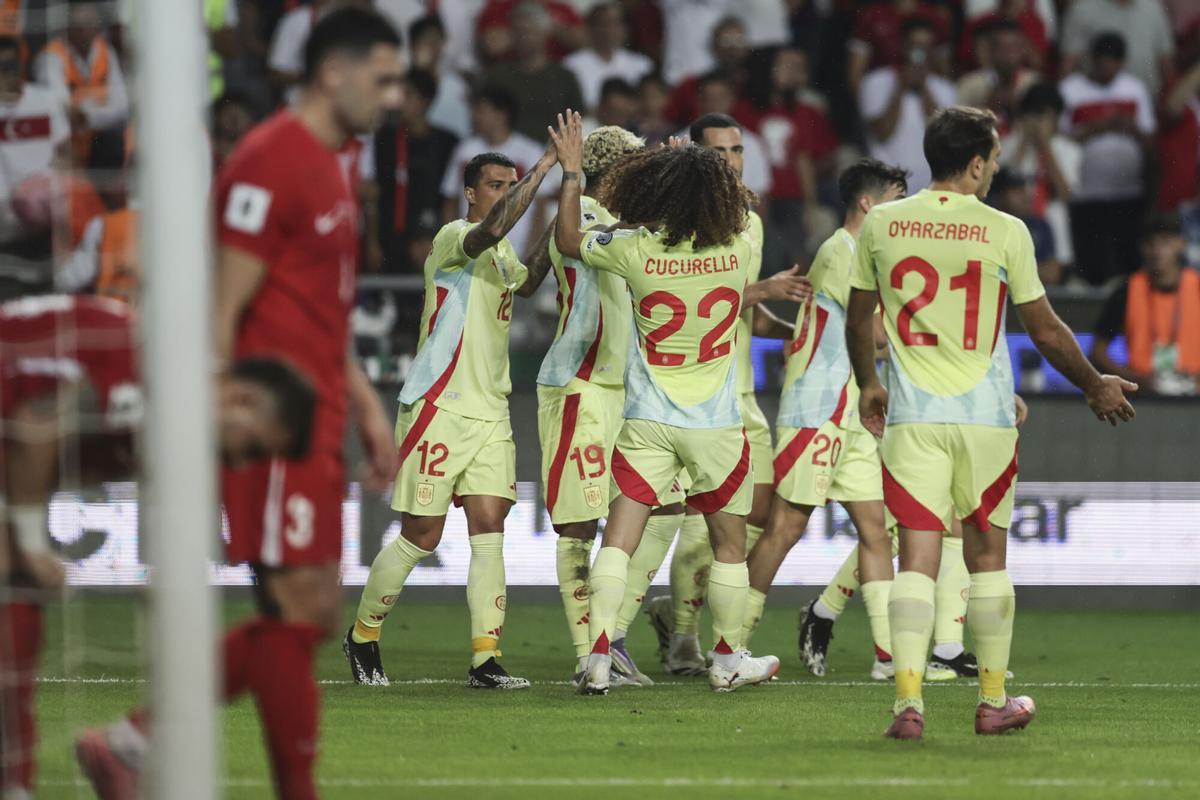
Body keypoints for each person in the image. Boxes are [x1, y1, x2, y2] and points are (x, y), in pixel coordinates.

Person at [75, 9, 404, 797]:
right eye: (384, 78)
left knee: (314, 612)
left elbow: (321, 307)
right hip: (273, 424)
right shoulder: (271, 161)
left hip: (320, 413)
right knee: (297, 608)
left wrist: (362, 401)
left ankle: (132, 743)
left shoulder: (330, 163)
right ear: (336, 72)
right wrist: (219, 418)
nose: (394, 97)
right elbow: (222, 306)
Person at [845, 105, 1137, 740]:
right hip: (984, 419)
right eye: (995, 160)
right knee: (986, 560)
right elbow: (1047, 330)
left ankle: (907, 705)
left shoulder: (883, 223)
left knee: (916, 560)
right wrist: (1094, 384)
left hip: (913, 418)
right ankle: (993, 701)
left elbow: (857, 314)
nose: (996, 169)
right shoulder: (1006, 230)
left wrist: (870, 380)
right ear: (975, 164)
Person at [0, 294, 315, 799]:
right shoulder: (160, 380)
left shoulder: (173, 425)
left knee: (16, 603)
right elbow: (36, 421)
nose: (240, 464)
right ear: (241, 401)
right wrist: (33, 541)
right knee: (17, 574)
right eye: (253, 447)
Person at [548, 111, 780, 696]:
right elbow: (745, 207)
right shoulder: (742, 244)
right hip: (717, 425)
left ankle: (597, 656)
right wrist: (698, 168)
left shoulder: (635, 250)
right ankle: (727, 659)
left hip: (648, 421)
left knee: (619, 540)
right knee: (729, 545)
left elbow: (569, 240)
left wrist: (574, 172)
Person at [346, 130, 566, 690]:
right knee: (422, 533)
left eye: (511, 186)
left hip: (490, 412)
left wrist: (568, 200)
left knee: (490, 527)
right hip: (438, 405)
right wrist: (546, 166)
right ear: (469, 193)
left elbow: (533, 276)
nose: (505, 194)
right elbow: (493, 227)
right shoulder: (454, 236)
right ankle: (363, 635)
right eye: (495, 186)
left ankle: (485, 659)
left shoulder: (504, 249)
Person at [642, 112, 809, 676]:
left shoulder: (751, 223)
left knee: (753, 512)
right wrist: (762, 290)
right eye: (720, 152)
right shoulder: (676, 220)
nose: (733, 161)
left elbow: (737, 304)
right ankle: (687, 640)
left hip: (740, 391)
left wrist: (777, 323)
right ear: (695, 158)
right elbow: (692, 294)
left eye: (738, 150)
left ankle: (701, 628)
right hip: (686, 396)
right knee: (699, 525)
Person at [741, 159, 907, 683]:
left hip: (854, 408)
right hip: (816, 406)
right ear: (867, 203)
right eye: (897, 199)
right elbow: (874, 333)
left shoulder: (869, 254)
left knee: (875, 529)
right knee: (785, 526)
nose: (904, 211)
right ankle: (730, 642)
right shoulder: (842, 251)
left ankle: (888, 657)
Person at [519, 124, 671, 686]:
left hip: (627, 392)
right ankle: (591, 654)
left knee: (667, 505)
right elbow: (571, 243)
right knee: (580, 525)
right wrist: (572, 173)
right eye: (635, 168)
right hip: (579, 385)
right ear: (615, 171)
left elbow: (533, 276)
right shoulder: (582, 207)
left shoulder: (604, 219)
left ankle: (612, 633)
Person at [1059, 32, 1155, 286]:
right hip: (1085, 193)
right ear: (1092, 61)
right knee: (1091, 264)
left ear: (1122, 63)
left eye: (1113, 67)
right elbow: (1058, 141)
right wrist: (1095, 128)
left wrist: (1131, 128)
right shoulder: (1070, 89)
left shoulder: (1134, 88)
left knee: (1128, 262)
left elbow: (1150, 139)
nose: (1107, 73)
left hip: (1128, 191)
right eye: (1102, 66)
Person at [1090, 212, 1200, 395]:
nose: (1157, 251)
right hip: (1143, 393)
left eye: (1165, 242)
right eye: (1151, 243)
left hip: (1194, 393)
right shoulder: (1126, 291)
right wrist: (1132, 379)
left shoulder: (1196, 286)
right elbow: (1097, 352)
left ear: (1181, 244)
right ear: (1142, 247)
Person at [440, 86, 550, 258]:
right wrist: (451, 244)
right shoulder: (465, 151)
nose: (474, 116)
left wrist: (532, 249)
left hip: (516, 250)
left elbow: (539, 207)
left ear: (502, 114)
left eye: (481, 110)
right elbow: (451, 201)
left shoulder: (529, 151)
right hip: (470, 249)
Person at [371, 68, 459, 270]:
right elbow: (376, 192)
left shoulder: (448, 143)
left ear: (426, 102)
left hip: (434, 240)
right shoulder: (384, 139)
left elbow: (451, 198)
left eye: (408, 95)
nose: (400, 101)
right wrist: (372, 242)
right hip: (390, 238)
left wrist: (437, 239)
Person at [859, 18, 957, 195]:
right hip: (887, 184)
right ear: (902, 46)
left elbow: (943, 138)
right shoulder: (875, 82)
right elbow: (883, 133)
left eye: (926, 46)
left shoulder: (944, 88)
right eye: (915, 45)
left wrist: (924, 89)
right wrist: (900, 87)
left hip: (929, 185)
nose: (920, 52)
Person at [33, 1, 128, 168]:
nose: (84, 31)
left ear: (98, 26)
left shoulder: (105, 50)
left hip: (102, 139)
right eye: (78, 25)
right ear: (66, 27)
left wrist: (88, 117)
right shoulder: (51, 57)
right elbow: (61, 111)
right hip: (66, 144)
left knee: (117, 141)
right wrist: (99, 113)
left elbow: (121, 105)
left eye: (89, 23)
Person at [0, 34, 69, 265]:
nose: (7, 72)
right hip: (6, 220)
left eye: (11, 64)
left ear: (21, 64)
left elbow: (66, 151)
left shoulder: (45, 100)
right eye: (1, 66)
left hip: (49, 210)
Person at [998, 82, 1081, 271]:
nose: (1039, 122)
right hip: (1015, 236)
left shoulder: (1069, 150)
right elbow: (1001, 187)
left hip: (1056, 242)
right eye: (1035, 115)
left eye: (1046, 116)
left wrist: (1045, 146)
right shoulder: (1008, 146)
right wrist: (1024, 143)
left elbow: (1065, 193)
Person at [482, 3, 584, 143]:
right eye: (517, 32)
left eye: (528, 31)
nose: (523, 37)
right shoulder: (497, 76)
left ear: (544, 33)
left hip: (554, 153)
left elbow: (579, 121)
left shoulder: (564, 77)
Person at [1061, 0, 1174, 97]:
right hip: (1095, 102)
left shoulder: (1153, 7)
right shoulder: (1083, 10)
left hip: (1147, 98)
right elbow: (1068, 65)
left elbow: (1166, 61)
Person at [564, 2, 654, 113]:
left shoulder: (642, 64)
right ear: (590, 28)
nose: (611, 30)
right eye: (604, 24)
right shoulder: (571, 66)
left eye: (616, 23)